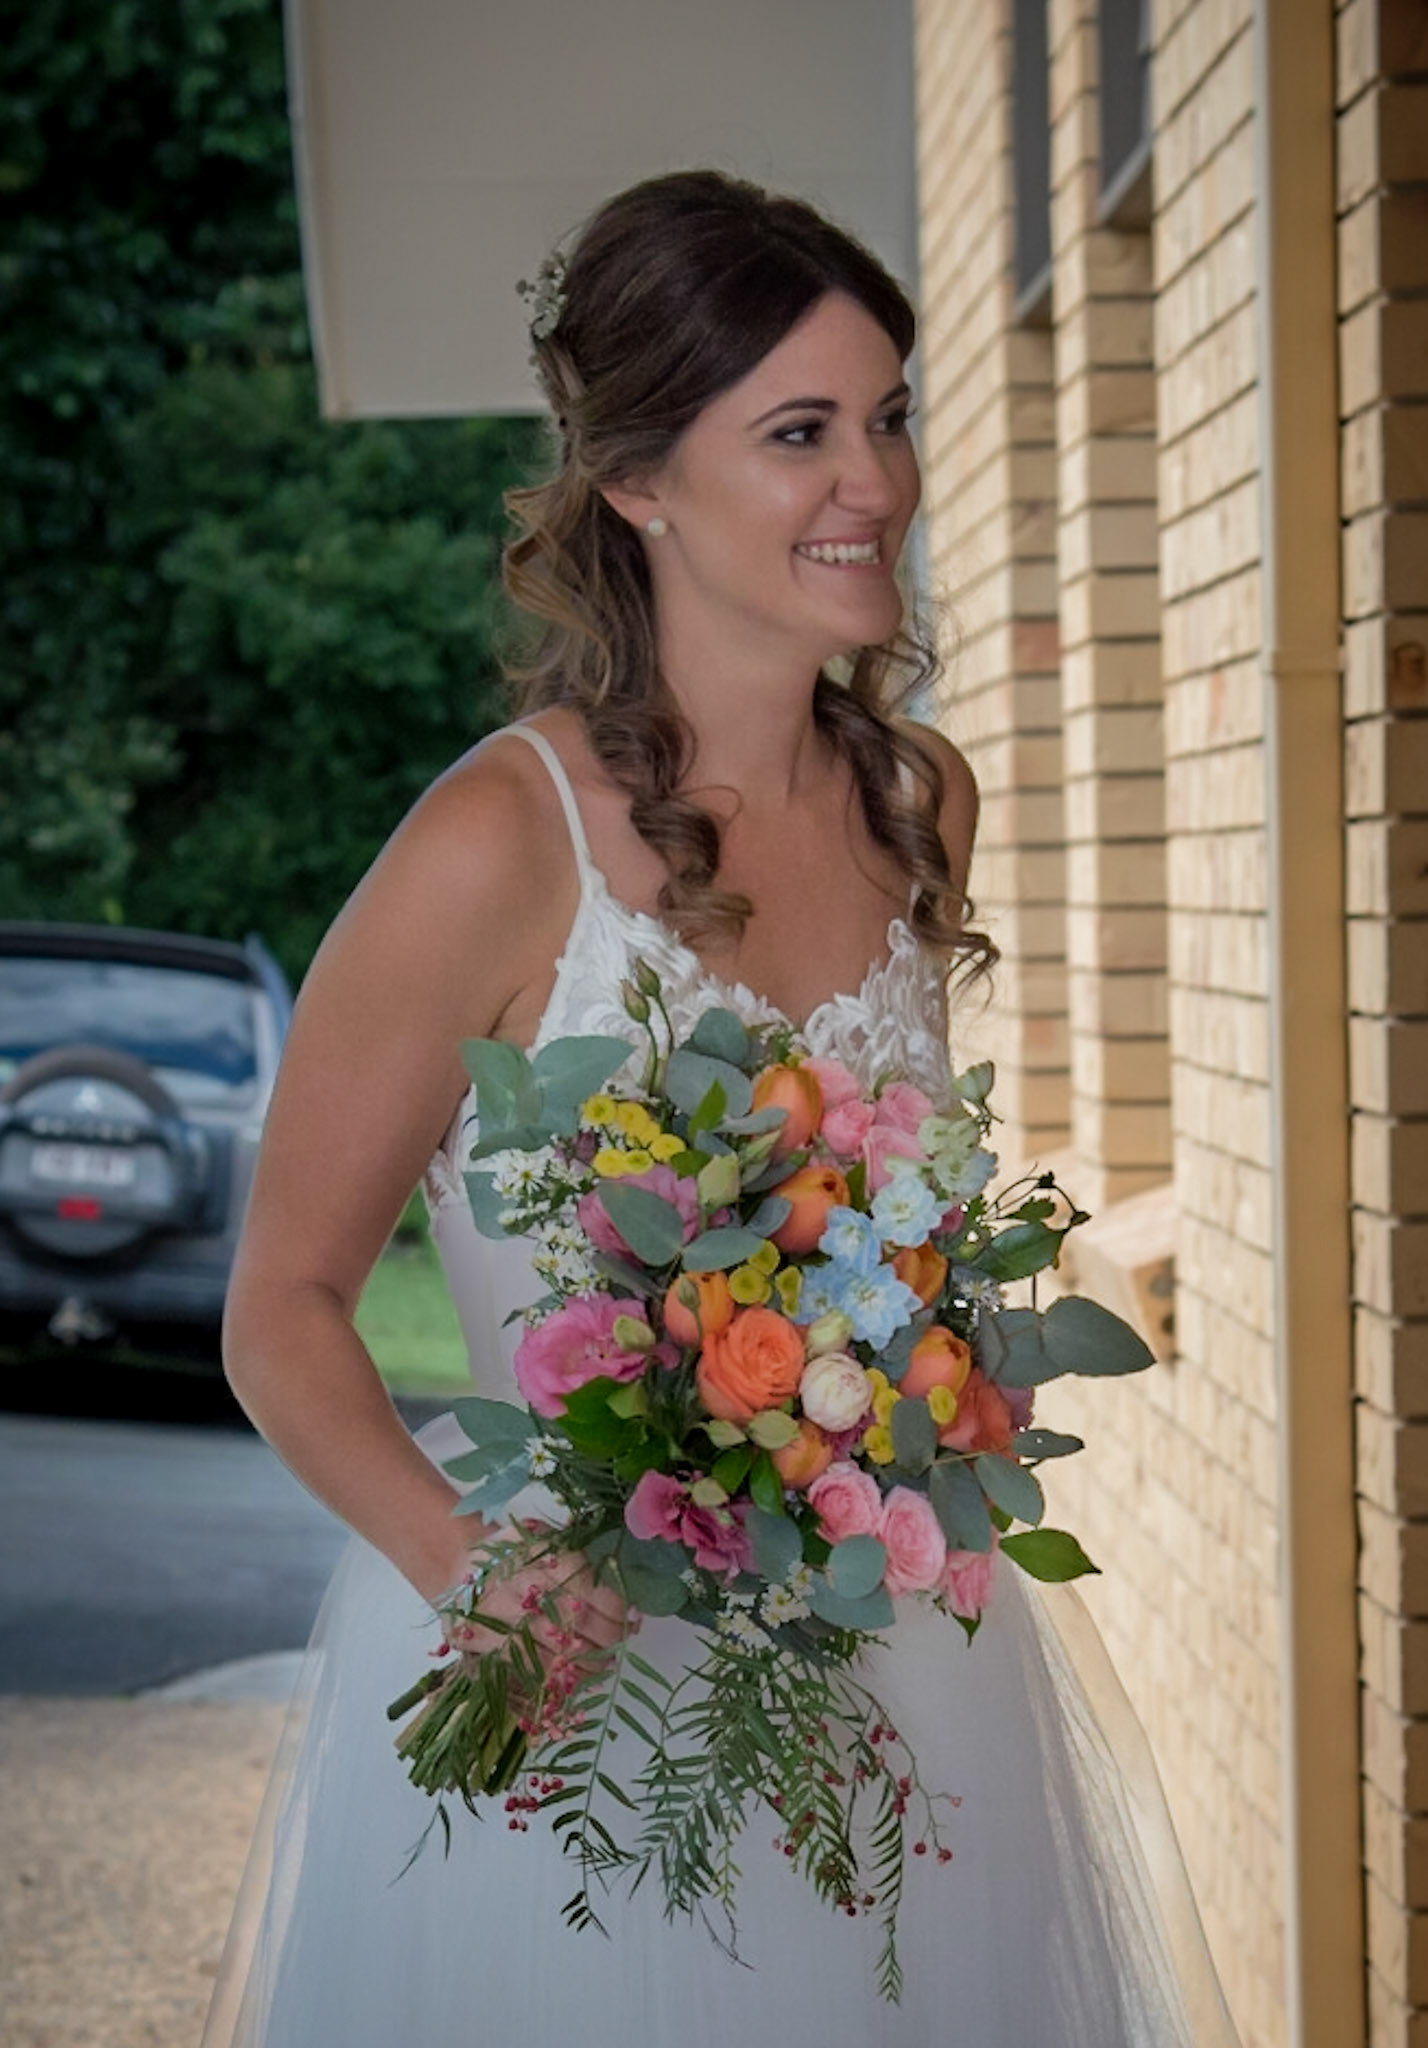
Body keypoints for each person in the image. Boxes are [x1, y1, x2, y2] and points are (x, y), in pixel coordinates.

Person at [204, 170, 1241, 2048]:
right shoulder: (493, 845)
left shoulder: (920, 798)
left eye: (889, 415)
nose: (875, 480)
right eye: (797, 432)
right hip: (592, 1716)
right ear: (640, 480)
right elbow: (277, 1306)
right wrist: (482, 1578)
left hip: (909, 1688)